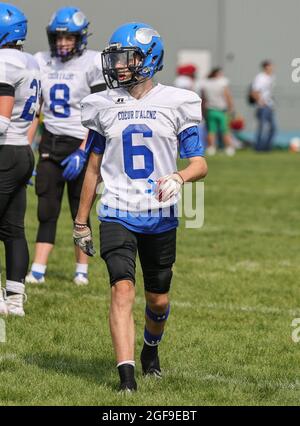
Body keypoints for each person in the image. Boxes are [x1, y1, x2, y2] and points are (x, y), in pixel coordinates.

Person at [73, 22, 208, 392]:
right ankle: (127, 380)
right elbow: (94, 168)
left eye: (125, 58)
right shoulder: (102, 104)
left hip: (160, 215)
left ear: (149, 59)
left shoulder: (177, 102)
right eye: (115, 58)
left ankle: (150, 350)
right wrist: (81, 222)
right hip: (116, 210)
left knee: (158, 300)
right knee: (121, 288)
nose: (117, 66)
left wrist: (179, 178)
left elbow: (200, 164)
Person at [25, 6, 105, 286]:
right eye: (58, 38)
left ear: (80, 37)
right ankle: (38, 268)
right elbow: (37, 109)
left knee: (79, 209)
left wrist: (84, 151)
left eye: (68, 37)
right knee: (46, 208)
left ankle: (81, 269)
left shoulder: (92, 63)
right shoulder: (41, 61)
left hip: (82, 142)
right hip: (50, 142)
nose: (62, 43)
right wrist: (26, 148)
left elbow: (98, 115)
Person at [0, 3, 40, 317]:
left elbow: (1, 119)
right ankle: (14, 299)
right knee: (13, 229)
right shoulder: (30, 60)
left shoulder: (4, 62)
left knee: (12, 228)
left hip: (4, 150)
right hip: (23, 150)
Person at [201, 67, 235, 156]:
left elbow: (203, 98)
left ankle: (211, 148)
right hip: (221, 110)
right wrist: (231, 107)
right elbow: (227, 96)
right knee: (225, 130)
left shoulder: (206, 83)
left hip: (210, 110)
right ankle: (229, 147)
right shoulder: (222, 83)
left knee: (211, 130)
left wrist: (203, 110)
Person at [251, 60, 276, 151]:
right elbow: (254, 92)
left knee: (273, 128)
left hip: (269, 105)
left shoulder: (271, 77)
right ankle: (259, 147)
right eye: (270, 66)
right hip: (263, 106)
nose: (272, 68)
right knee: (262, 128)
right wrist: (261, 102)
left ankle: (267, 147)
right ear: (266, 67)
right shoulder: (260, 78)